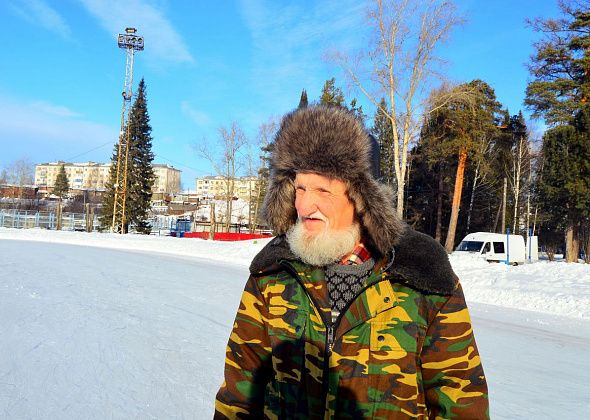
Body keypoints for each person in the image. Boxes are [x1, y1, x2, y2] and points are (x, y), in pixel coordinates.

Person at [214, 105, 489, 419]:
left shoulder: (422, 274)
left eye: (322, 190)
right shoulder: (272, 273)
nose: (304, 205)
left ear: (362, 197)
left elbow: (461, 403)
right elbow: (239, 394)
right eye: (300, 188)